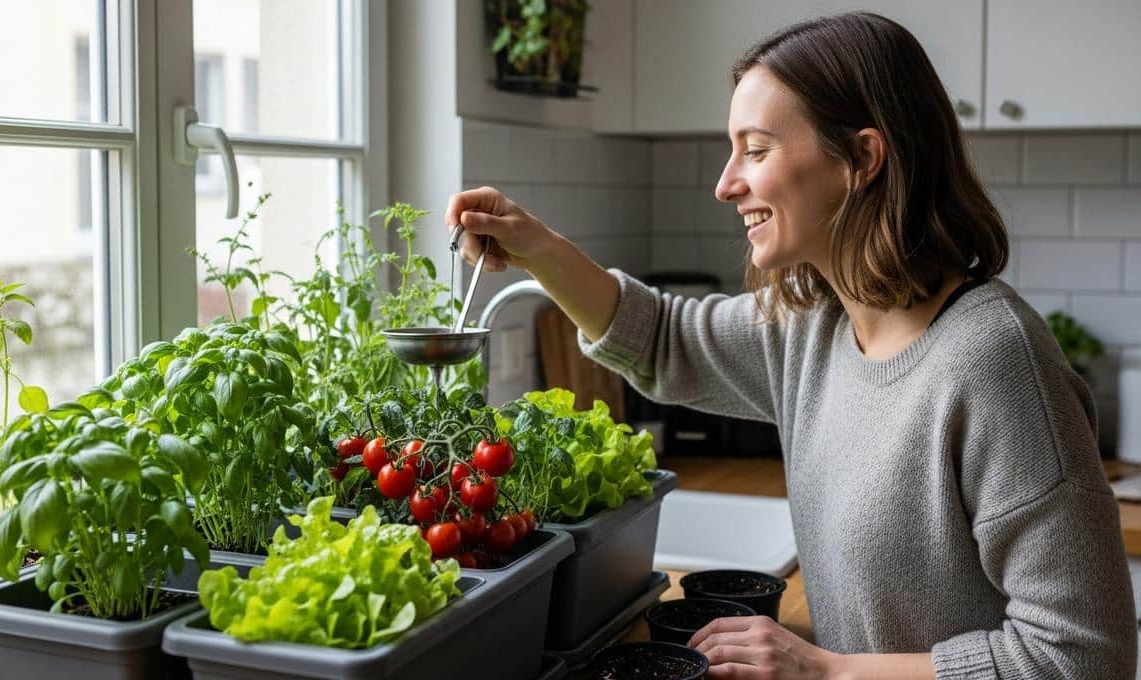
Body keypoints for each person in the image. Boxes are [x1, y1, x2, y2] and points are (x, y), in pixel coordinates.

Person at [445, 11, 1135, 680]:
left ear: (862, 157)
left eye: (756, 148)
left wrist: (828, 671)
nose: (726, 183)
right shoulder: (815, 325)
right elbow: (661, 341)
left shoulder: (994, 361)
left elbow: (1082, 657)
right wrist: (534, 247)